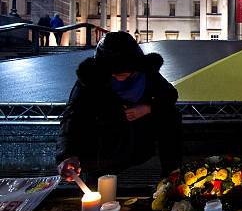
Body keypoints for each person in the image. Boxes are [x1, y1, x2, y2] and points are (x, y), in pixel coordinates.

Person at [56, 31, 182, 182]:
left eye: (123, 72)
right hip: (105, 145)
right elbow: (72, 116)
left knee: (170, 114)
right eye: (112, 73)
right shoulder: (91, 80)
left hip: (140, 140)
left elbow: (170, 95)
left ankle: (171, 174)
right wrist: (67, 154)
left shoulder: (147, 74)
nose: (117, 77)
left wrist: (148, 108)